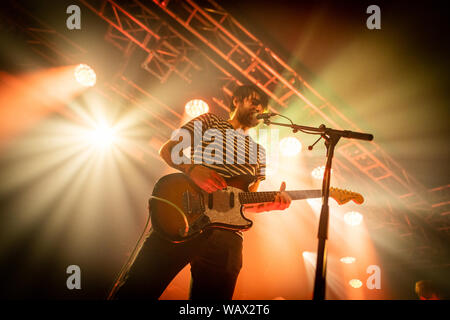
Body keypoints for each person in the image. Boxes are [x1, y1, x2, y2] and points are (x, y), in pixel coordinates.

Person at [114, 84, 292, 300]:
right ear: (236, 100)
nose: (258, 107)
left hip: (227, 237)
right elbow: (168, 149)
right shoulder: (210, 121)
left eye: (262, 105)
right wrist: (191, 169)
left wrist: (268, 206)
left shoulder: (260, 152)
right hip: (183, 216)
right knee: (135, 291)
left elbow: (244, 201)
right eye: (254, 100)